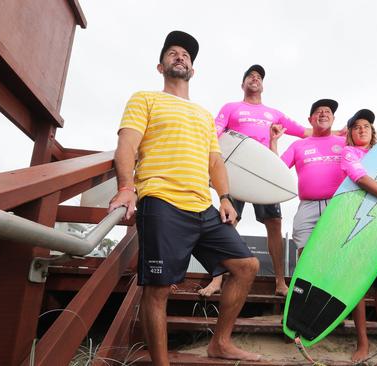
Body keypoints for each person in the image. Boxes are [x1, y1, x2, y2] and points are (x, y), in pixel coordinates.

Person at [108, 30, 261, 365]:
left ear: (192, 70)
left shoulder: (204, 115)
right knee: (158, 288)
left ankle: (219, 343)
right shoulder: (144, 99)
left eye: (186, 56)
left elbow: (214, 161)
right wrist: (125, 186)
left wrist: (223, 197)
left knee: (246, 265)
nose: (180, 57)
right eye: (173, 53)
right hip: (161, 201)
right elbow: (127, 145)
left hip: (202, 206)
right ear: (161, 66)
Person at [275, 107, 377, 366]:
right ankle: (363, 341)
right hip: (353, 225)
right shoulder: (348, 153)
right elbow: (360, 178)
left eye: (366, 126)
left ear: (373, 131)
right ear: (350, 133)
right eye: (356, 127)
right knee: (353, 281)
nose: (362, 129)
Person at [198, 64, 311, 297]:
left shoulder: (274, 114)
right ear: (243, 84)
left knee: (274, 224)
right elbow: (214, 134)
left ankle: (280, 281)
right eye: (250, 76)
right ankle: (217, 279)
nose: (255, 78)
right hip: (235, 173)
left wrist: (338, 132)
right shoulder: (231, 108)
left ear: (263, 85)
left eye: (259, 77)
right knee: (227, 221)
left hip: (263, 174)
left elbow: (303, 131)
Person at [272, 98, 345, 256]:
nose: (323, 114)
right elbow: (277, 170)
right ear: (310, 120)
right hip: (307, 206)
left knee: (338, 251)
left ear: (333, 119)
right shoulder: (298, 145)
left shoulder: (346, 142)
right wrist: (274, 142)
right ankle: (304, 281)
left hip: (338, 203)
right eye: (318, 111)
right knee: (305, 252)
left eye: (328, 112)